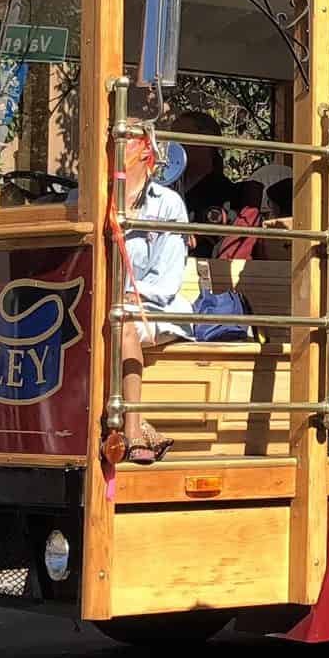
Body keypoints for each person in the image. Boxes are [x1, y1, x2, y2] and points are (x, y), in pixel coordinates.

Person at [117, 135, 194, 464]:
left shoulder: (168, 204)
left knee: (120, 324)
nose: (116, 147)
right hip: (98, 304)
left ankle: (132, 430)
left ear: (146, 151)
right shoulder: (89, 196)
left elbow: (167, 283)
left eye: (127, 140)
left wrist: (121, 295)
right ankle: (141, 425)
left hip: (154, 308)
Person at [166, 109, 249, 258]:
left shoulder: (227, 193)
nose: (174, 145)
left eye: (182, 136)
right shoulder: (165, 187)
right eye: (172, 138)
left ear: (207, 141)